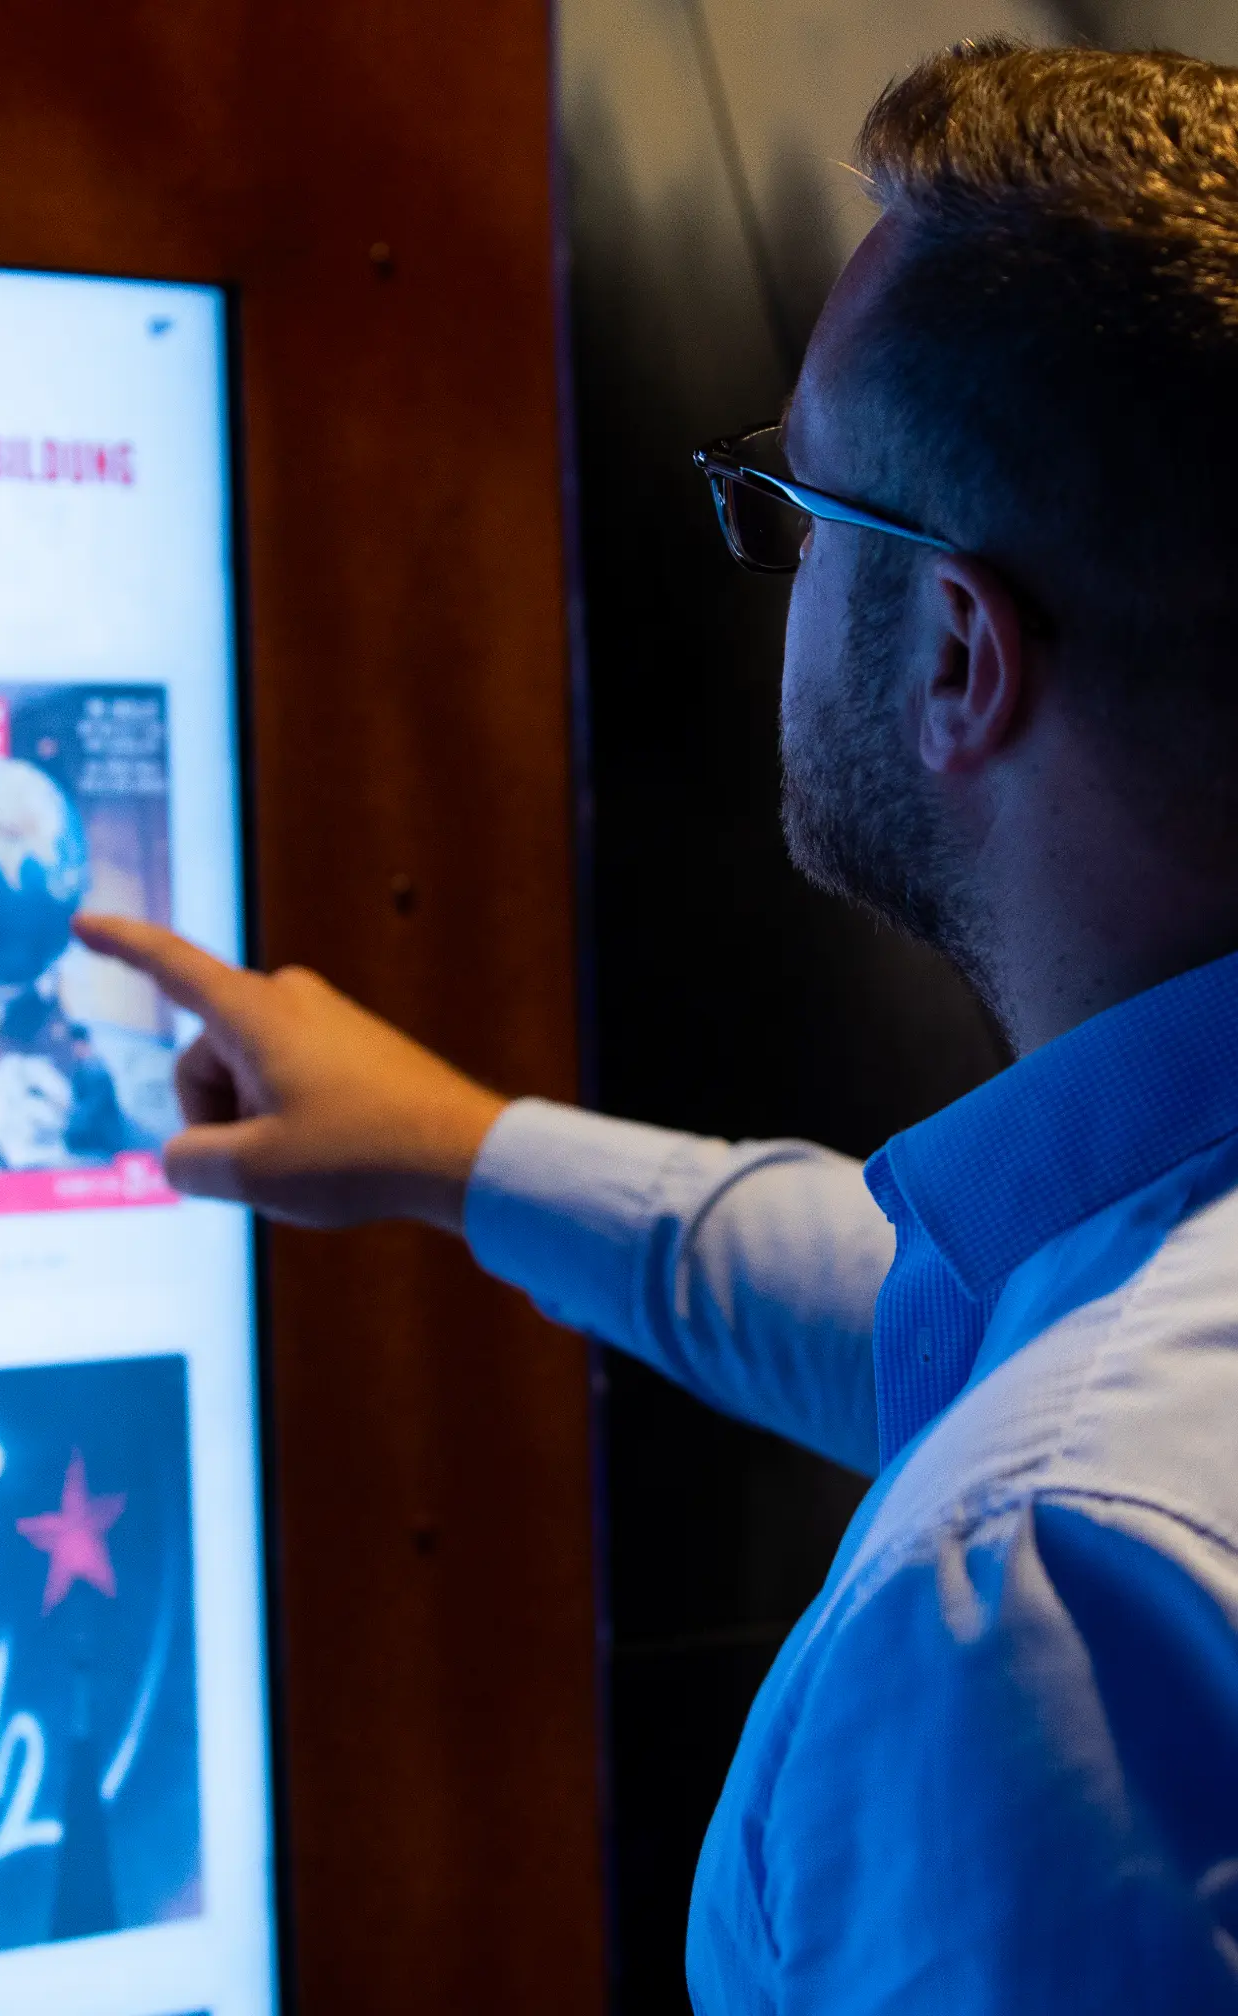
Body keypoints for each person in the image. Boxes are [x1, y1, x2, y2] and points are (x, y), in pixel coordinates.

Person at [81, 39, 1238, 2013]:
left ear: (956, 653)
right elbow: (930, 1313)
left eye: (792, 506)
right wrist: (454, 1149)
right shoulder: (1119, 1344)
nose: (774, 567)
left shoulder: (1025, 1593)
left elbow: (1042, 1422)